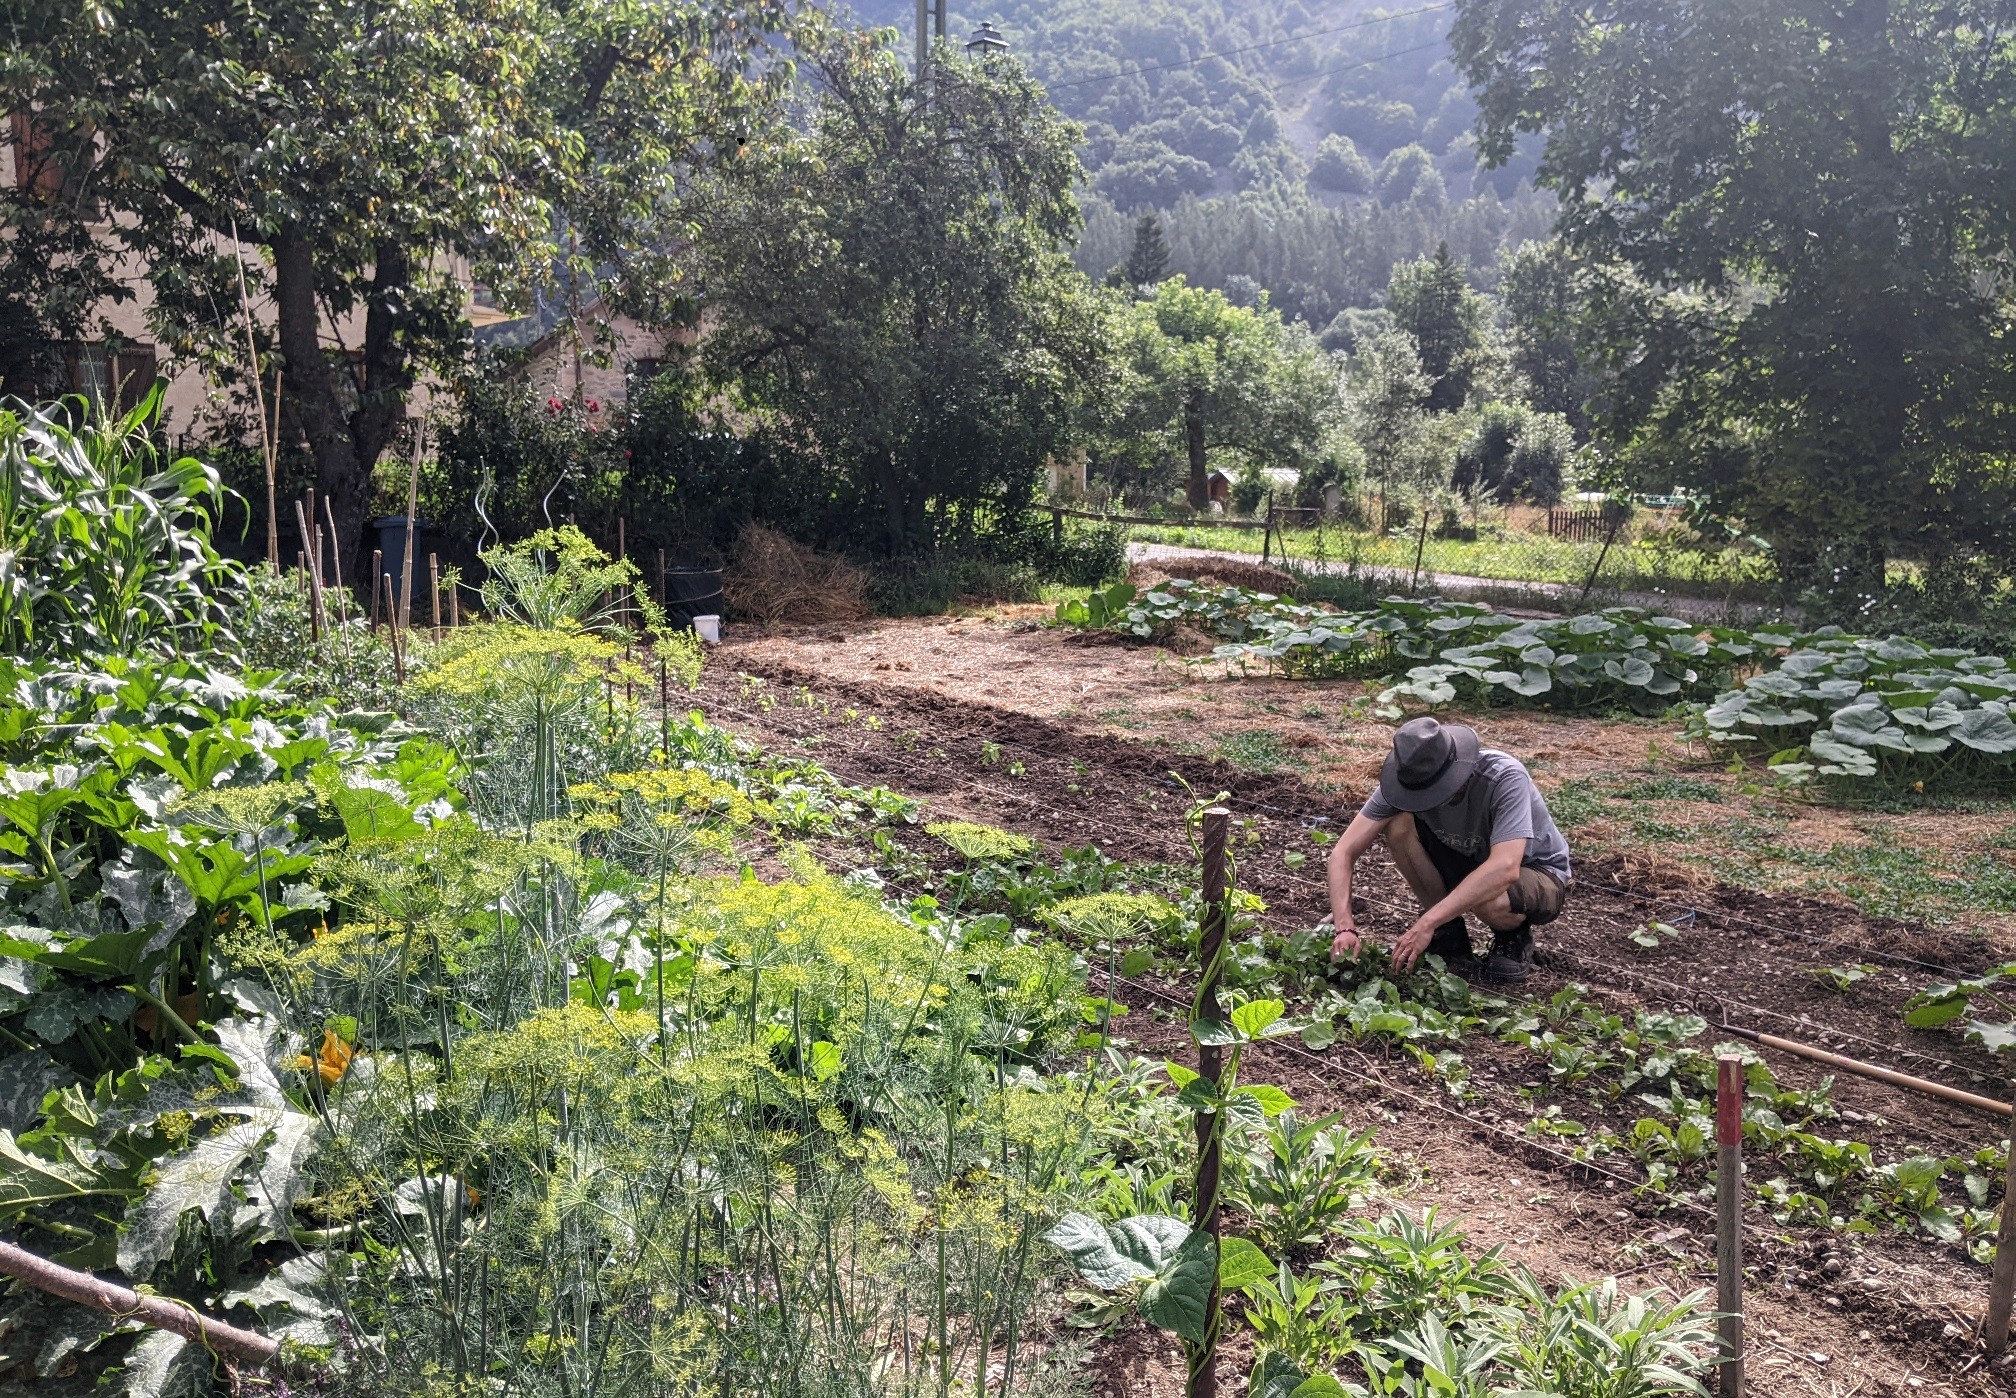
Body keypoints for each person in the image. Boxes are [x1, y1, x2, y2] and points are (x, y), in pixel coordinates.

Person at [1326, 716, 1570, 982]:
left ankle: (1512, 938)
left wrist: (1426, 923)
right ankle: (1449, 935)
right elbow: (1343, 853)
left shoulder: (1504, 777)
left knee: (1491, 892)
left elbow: (1505, 867)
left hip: (1535, 871)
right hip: (1468, 860)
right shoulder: (1409, 779)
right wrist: (1344, 928)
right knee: (1398, 825)